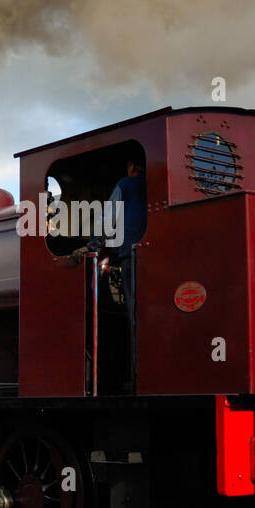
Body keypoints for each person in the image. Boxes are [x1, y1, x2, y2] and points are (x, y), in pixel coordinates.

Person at [91, 159, 146, 391]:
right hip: (150, 250)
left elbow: (108, 218)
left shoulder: (126, 184)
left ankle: (137, 378)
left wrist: (93, 244)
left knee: (135, 313)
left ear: (131, 167)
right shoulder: (155, 185)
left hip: (133, 253)